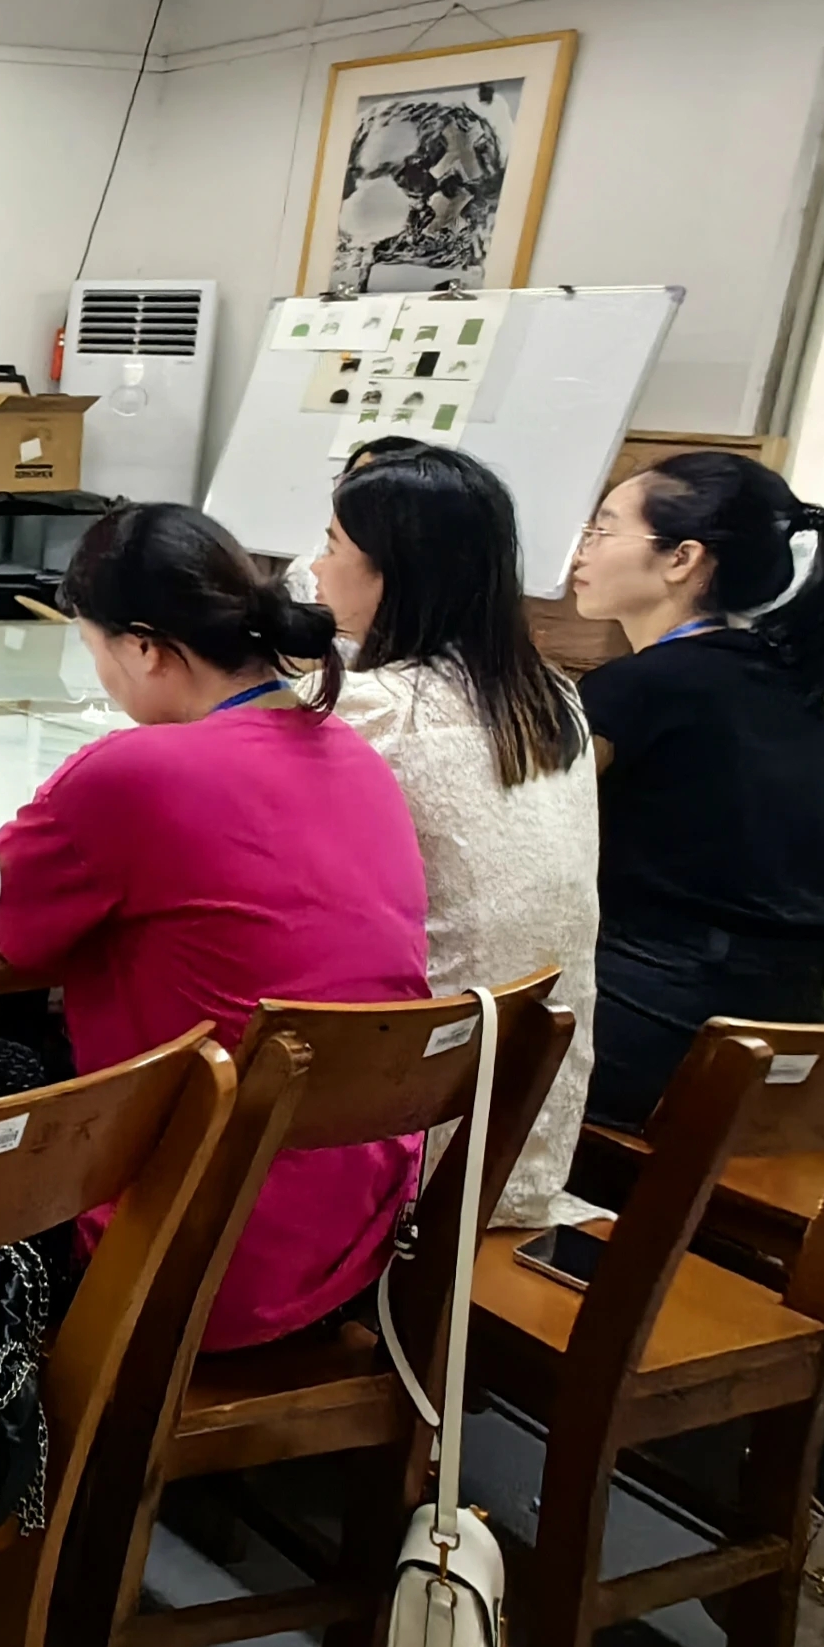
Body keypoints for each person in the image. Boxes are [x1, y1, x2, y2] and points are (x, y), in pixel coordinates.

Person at [0, 503, 429, 1350]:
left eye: (95, 650)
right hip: (348, 1244)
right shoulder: (352, 753)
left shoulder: (132, 773)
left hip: (184, 1255)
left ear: (146, 649)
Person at [307, 445, 603, 1226]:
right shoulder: (555, 697)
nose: (315, 568)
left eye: (332, 546)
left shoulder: (367, 709)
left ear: (391, 573)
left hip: (410, 1136)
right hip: (528, 1129)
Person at [565, 451, 824, 1121]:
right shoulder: (787, 683)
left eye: (603, 529)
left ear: (682, 558)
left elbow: (535, 838)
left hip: (666, 1022)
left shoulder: (639, 687)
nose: (582, 549)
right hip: (788, 1027)